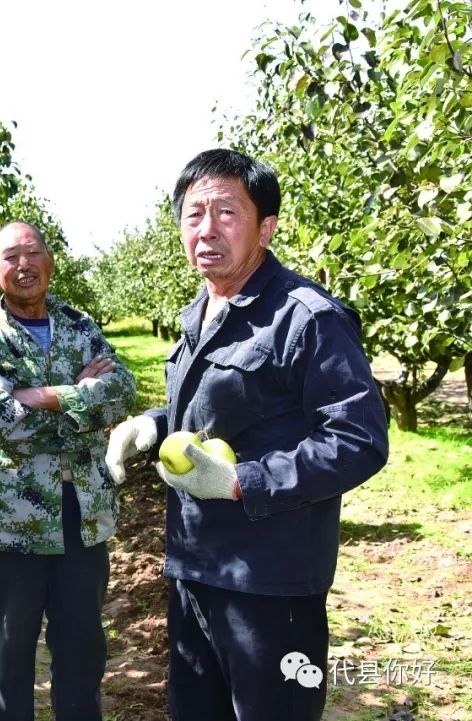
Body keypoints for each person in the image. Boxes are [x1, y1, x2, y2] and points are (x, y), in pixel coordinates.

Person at [105, 148, 389, 721]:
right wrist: (152, 424)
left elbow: (359, 438)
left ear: (267, 228)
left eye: (227, 212)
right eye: (193, 214)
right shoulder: (200, 315)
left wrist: (244, 482)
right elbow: (212, 413)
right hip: (195, 568)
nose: (206, 229)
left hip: (269, 581)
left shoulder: (306, 318)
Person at [0, 221, 137, 721]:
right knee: (9, 658)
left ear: (50, 259)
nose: (23, 265)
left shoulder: (79, 325)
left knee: (82, 650)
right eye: (10, 257)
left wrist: (40, 396)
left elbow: (121, 392)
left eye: (32, 253)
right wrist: (80, 395)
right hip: (12, 526)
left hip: (84, 515)